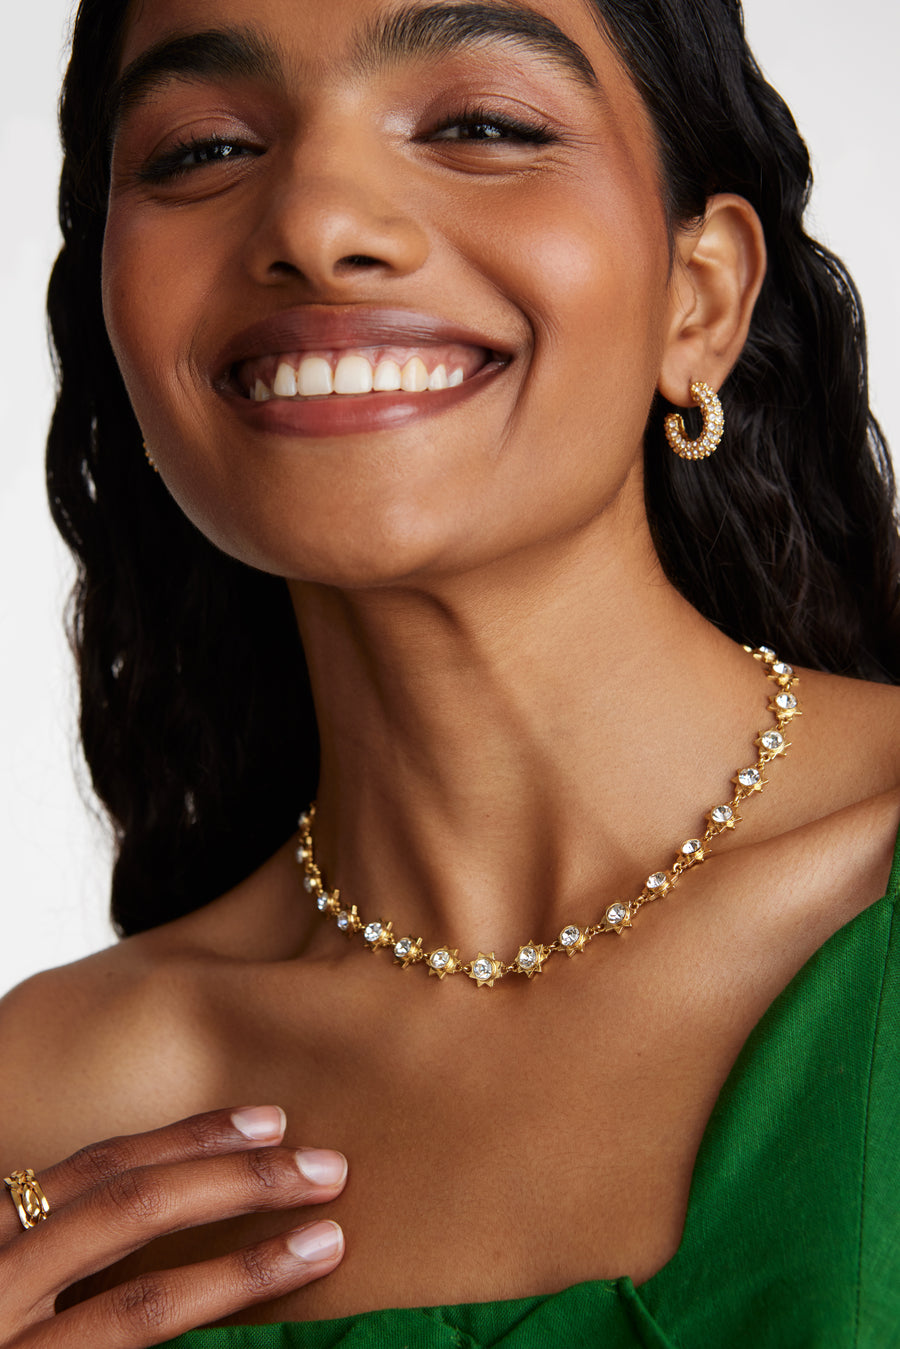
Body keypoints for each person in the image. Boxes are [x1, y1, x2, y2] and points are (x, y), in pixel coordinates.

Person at [1, 0, 898, 1344]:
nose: (312, 223)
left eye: (481, 125)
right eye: (201, 151)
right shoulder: (54, 1110)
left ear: (699, 300)